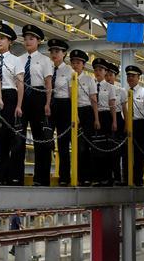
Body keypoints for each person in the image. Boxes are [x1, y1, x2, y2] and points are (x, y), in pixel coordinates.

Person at [15, 24, 53, 186]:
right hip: (22, 98)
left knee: (40, 139)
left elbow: (48, 83)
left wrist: (47, 103)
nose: (28, 41)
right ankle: (17, 176)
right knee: (18, 139)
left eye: (32, 39)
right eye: (26, 38)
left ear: (38, 41)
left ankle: (41, 178)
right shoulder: (19, 60)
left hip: (38, 97)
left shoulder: (45, 60)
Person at [0, 22, 24, 185]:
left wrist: (19, 105)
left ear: (10, 41)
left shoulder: (15, 60)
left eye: (2, 39)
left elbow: (20, 84)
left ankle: (6, 175)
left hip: (9, 95)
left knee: (6, 136)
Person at [69, 50, 99, 185]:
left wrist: (96, 119)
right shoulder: (69, 77)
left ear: (83, 65)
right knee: (75, 146)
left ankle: (87, 177)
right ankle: (77, 176)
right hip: (73, 111)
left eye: (78, 63)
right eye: (73, 62)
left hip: (87, 113)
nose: (75, 65)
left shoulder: (89, 79)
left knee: (84, 146)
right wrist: (74, 113)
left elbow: (93, 100)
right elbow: (70, 98)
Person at [47, 39, 74, 186]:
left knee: (63, 143)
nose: (54, 54)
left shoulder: (69, 71)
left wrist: (73, 113)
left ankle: (64, 176)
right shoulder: (48, 68)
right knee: (46, 140)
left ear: (64, 54)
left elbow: (71, 94)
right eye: (52, 51)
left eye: (57, 51)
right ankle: (45, 174)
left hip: (64, 106)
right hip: (50, 105)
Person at [125, 65, 144, 187]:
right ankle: (126, 178)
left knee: (138, 154)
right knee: (126, 153)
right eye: (128, 75)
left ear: (138, 77)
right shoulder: (124, 92)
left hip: (139, 124)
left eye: (133, 76)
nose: (130, 78)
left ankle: (138, 179)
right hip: (127, 124)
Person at [92, 58, 117, 186]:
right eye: (95, 69)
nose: (97, 72)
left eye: (100, 70)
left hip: (106, 116)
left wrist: (114, 121)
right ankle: (97, 177)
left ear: (105, 71)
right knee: (96, 147)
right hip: (94, 116)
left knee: (106, 148)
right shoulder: (91, 84)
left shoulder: (110, 87)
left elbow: (112, 104)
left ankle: (108, 177)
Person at [106, 64, 126, 186]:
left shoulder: (121, 91)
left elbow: (125, 109)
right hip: (106, 117)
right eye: (106, 75)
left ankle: (118, 177)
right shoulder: (101, 88)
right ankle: (108, 177)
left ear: (115, 76)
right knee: (106, 149)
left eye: (111, 75)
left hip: (118, 119)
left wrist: (126, 125)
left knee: (117, 151)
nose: (108, 78)